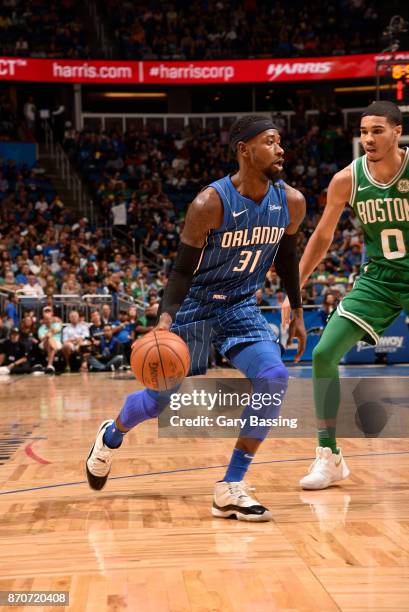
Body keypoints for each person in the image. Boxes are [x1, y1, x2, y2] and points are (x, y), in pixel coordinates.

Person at [86, 115, 306, 521]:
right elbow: (181, 271)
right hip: (196, 306)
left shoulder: (291, 201)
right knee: (160, 401)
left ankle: (230, 486)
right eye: (271, 142)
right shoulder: (210, 203)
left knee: (273, 377)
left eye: (280, 142)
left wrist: (297, 309)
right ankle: (112, 434)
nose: (280, 149)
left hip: (240, 305)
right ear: (244, 149)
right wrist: (165, 321)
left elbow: (288, 256)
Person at [281, 101, 409, 490]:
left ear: (397, 132)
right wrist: (293, 288)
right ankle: (329, 456)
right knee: (323, 354)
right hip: (380, 279)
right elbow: (322, 237)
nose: (368, 138)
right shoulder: (347, 179)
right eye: (364, 132)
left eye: (378, 131)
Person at [37, 306, 63, 374]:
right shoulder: (41, 328)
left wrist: (49, 334)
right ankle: (50, 365)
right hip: (44, 343)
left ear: (52, 318)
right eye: (46, 319)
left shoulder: (57, 324)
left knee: (50, 340)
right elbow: (41, 339)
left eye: (49, 319)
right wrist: (48, 335)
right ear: (44, 320)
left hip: (57, 342)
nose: (48, 320)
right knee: (49, 339)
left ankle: (49, 365)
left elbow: (58, 330)